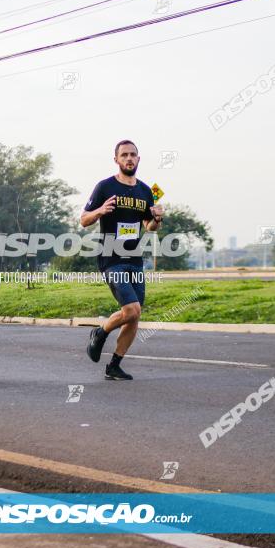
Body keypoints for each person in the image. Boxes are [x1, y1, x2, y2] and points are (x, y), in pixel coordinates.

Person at [81, 140, 164, 380]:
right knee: (132, 309)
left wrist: (157, 218)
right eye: (124, 155)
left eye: (133, 155)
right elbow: (84, 220)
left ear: (139, 159)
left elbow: (149, 227)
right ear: (116, 159)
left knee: (134, 315)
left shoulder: (146, 191)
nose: (129, 158)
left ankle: (114, 365)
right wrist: (99, 211)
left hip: (134, 259)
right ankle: (100, 332)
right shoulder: (104, 187)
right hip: (111, 258)